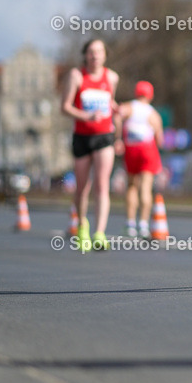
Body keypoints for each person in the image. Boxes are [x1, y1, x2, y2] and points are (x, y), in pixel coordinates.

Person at [61, 39, 119, 253]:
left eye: (99, 52)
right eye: (91, 52)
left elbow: (108, 101)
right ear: (85, 55)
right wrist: (86, 115)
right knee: (82, 187)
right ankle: (82, 225)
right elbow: (64, 107)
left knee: (102, 185)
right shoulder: (76, 76)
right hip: (82, 136)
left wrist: (115, 109)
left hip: (104, 135)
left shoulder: (111, 77)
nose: (95, 56)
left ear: (105, 55)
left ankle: (100, 233)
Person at [116, 80, 164, 239]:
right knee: (146, 188)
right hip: (147, 149)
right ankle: (143, 225)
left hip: (131, 148)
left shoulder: (129, 107)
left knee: (131, 186)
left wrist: (118, 138)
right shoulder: (153, 114)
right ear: (150, 95)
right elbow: (160, 139)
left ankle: (130, 224)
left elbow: (117, 115)